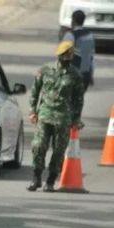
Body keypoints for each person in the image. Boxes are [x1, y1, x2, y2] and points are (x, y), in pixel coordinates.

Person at [27, 41, 85, 192]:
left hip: (63, 118)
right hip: (45, 115)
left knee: (59, 150)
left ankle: (51, 181)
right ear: (59, 55)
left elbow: (79, 99)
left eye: (70, 54)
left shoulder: (75, 75)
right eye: (65, 54)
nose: (68, 57)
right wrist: (33, 111)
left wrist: (76, 119)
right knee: (38, 146)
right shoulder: (45, 70)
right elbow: (35, 91)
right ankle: (36, 178)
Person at [62, 10, 95, 92]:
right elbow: (91, 58)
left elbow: (63, 56)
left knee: (68, 101)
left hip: (73, 75)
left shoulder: (70, 35)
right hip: (85, 75)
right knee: (78, 101)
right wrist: (90, 75)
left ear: (73, 20)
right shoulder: (90, 35)